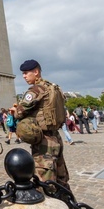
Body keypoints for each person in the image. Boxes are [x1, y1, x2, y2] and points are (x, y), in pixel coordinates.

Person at [15, 59, 70, 187]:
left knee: (45, 182)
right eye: (23, 73)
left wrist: (15, 110)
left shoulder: (36, 90)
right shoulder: (54, 88)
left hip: (44, 142)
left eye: (26, 73)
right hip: (56, 137)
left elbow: (20, 112)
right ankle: (69, 206)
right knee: (62, 182)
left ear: (36, 72)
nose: (23, 76)